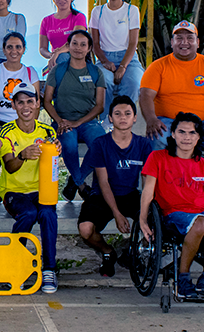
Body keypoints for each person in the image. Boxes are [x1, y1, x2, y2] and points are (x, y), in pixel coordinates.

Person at [139, 20, 204, 214]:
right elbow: (145, 94)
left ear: (197, 41)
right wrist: (152, 119)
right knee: (158, 135)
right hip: (170, 123)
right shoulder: (158, 66)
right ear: (172, 42)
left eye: (189, 38)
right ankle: (154, 192)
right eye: (179, 38)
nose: (184, 42)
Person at [139, 112, 204, 299]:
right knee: (202, 222)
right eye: (182, 132)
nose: (187, 137)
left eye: (192, 133)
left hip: (200, 213)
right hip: (172, 215)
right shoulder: (157, 158)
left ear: (199, 137)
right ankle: (184, 278)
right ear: (173, 134)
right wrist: (142, 220)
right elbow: (148, 190)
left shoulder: (203, 164)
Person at [0, 82, 60, 293]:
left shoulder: (48, 131)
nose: (26, 107)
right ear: (13, 105)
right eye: (20, 102)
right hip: (14, 192)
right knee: (29, 213)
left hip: (41, 190)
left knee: (48, 214)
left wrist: (56, 150)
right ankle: (16, 265)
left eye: (30, 101)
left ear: (38, 104)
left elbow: (53, 165)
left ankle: (49, 269)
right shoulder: (6, 132)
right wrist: (22, 155)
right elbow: (11, 168)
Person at [77, 96, 152, 277]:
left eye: (127, 113)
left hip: (131, 194)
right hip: (102, 195)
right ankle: (107, 252)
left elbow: (147, 180)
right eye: (117, 114)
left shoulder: (144, 145)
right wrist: (117, 214)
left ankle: (134, 254)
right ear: (110, 118)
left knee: (155, 221)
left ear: (135, 118)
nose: (123, 118)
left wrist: (143, 213)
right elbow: (103, 182)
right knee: (85, 229)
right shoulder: (101, 144)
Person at [43, 29, 107, 200]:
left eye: (83, 44)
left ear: (89, 48)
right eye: (74, 44)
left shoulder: (95, 72)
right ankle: (81, 184)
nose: (78, 48)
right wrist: (59, 120)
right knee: (69, 144)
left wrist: (79, 122)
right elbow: (47, 101)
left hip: (88, 121)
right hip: (62, 120)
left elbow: (100, 106)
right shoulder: (57, 70)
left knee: (101, 144)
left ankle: (75, 182)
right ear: (68, 46)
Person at [89, 0, 146, 122]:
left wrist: (122, 66)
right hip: (104, 57)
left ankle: (126, 122)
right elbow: (94, 43)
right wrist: (105, 61)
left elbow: (133, 43)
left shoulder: (131, 10)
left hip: (129, 57)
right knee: (104, 82)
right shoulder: (98, 11)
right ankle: (107, 123)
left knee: (134, 83)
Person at [0, 32, 39, 131]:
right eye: (10, 47)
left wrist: (29, 128)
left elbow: (36, 104)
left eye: (18, 47)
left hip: (22, 124)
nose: (14, 51)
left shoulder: (30, 72)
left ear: (23, 50)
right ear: (4, 50)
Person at [39, 0, 87, 72]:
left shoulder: (79, 17)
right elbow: (42, 48)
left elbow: (76, 43)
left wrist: (58, 52)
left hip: (75, 57)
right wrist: (51, 55)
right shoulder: (46, 21)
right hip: (56, 60)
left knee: (62, 57)